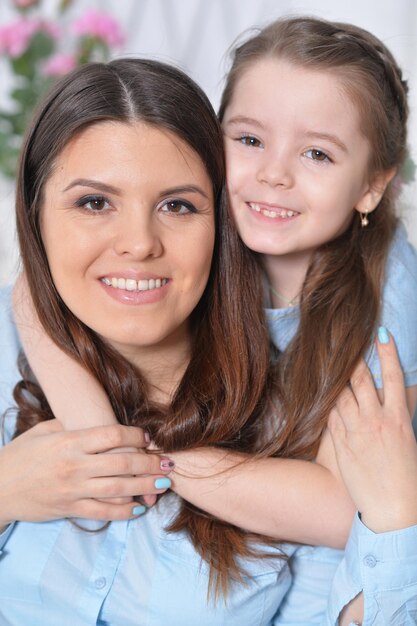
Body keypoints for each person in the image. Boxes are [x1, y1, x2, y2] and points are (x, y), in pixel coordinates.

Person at [8, 16, 417, 624]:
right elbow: (28, 295)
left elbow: (349, 511)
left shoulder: (357, 341)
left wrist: (141, 461)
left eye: (177, 205)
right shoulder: (25, 320)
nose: (274, 174)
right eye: (94, 202)